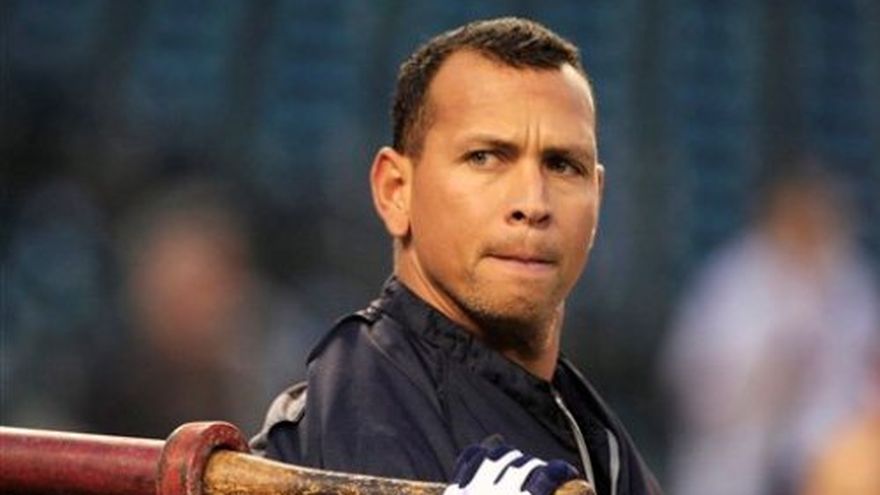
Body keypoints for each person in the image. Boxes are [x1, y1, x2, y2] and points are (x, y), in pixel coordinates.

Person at [252, 17, 661, 495]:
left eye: (563, 165)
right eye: (484, 157)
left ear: (598, 195)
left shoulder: (596, 434)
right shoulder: (353, 407)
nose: (533, 202)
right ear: (395, 191)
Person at [661, 161, 880, 495]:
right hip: (735, 459)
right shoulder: (734, 278)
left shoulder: (852, 281)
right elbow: (689, 378)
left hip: (823, 463)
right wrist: (767, 374)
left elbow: (864, 378)